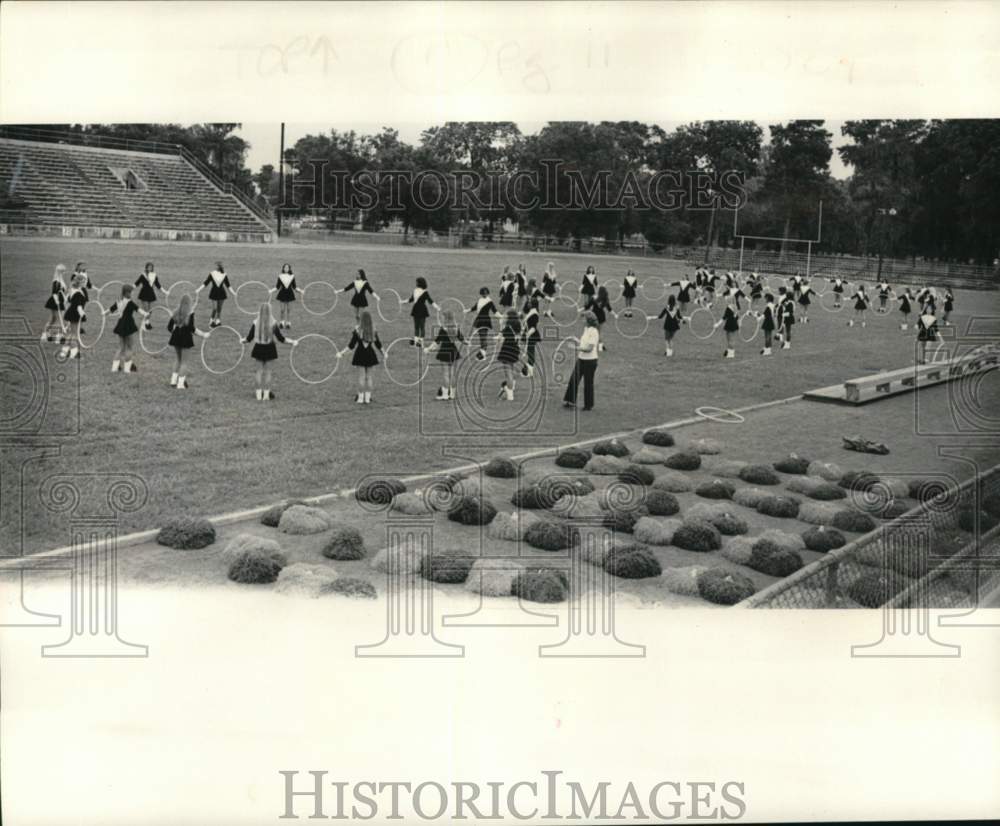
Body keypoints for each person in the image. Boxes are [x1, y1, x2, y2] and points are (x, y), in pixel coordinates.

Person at [245, 302, 298, 401]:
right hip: (270, 349)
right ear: (270, 311)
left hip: (258, 348)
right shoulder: (273, 323)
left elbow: (249, 338)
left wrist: (243, 341)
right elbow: (281, 338)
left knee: (259, 372)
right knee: (268, 372)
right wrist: (292, 342)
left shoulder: (256, 322)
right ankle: (266, 395)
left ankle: (258, 395)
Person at [340, 310, 382, 404]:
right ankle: (367, 398)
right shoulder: (373, 330)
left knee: (361, 377)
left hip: (360, 355)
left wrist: (341, 353)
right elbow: (378, 344)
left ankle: (360, 398)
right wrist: (384, 353)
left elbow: (351, 345)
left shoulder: (358, 330)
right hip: (370, 355)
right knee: (369, 377)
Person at [167, 294, 208, 389]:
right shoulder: (190, 314)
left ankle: (173, 381)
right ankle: (180, 384)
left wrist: (175, 330)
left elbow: (169, 327)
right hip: (185, 338)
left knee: (178, 359)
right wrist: (203, 334)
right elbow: (192, 329)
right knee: (184, 362)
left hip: (176, 337)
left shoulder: (175, 312)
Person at [106, 284, 149, 374]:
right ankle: (126, 369)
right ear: (127, 293)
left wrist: (103, 313)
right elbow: (139, 310)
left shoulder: (119, 302)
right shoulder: (130, 303)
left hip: (121, 325)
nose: (133, 294)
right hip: (128, 325)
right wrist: (146, 314)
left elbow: (110, 309)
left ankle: (114, 368)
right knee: (129, 347)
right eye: (132, 292)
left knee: (120, 347)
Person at [563, 313, 600, 412]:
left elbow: (589, 348)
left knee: (588, 383)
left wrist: (576, 348)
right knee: (573, 379)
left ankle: (588, 405)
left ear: (589, 320)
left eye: (584, 318)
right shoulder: (586, 329)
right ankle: (570, 401)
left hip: (590, 361)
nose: (582, 320)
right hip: (581, 359)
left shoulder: (594, 331)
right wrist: (576, 340)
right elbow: (584, 343)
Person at [424, 309, 464, 401]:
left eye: (443, 317)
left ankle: (445, 395)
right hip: (454, 352)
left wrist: (428, 349)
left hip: (444, 352)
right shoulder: (456, 328)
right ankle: (452, 395)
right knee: (453, 374)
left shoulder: (443, 329)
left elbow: (437, 342)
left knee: (446, 374)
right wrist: (468, 342)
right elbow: (463, 339)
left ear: (446, 319)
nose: (442, 319)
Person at [466, 287, 501, 360]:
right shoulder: (480, 300)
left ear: (488, 293)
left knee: (483, 337)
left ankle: (482, 354)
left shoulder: (489, 301)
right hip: (479, 320)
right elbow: (474, 308)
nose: (484, 295)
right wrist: (467, 310)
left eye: (486, 293)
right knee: (481, 337)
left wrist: (501, 316)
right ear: (481, 294)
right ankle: (482, 353)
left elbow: (495, 311)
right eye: (483, 293)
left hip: (485, 321)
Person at [495, 309, 522, 401]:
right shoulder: (518, 327)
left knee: (508, 373)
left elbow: (500, 337)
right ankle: (507, 388)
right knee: (510, 370)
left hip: (507, 350)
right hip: (515, 350)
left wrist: (497, 339)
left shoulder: (508, 328)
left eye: (506, 316)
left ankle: (510, 394)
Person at [196, 262, 231, 328]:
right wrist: (198, 290)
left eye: (216, 266)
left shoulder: (224, 275)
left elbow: (228, 285)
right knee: (214, 308)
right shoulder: (212, 274)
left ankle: (218, 321)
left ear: (219, 267)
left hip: (222, 293)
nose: (215, 267)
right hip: (214, 293)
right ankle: (211, 321)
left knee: (219, 308)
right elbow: (206, 283)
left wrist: (234, 293)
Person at [407, 276, 439, 347]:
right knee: (417, 326)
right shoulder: (415, 290)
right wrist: (403, 301)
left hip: (421, 310)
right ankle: (416, 342)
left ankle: (420, 342)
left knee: (421, 326)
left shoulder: (425, 292)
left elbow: (430, 301)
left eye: (417, 282)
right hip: (417, 309)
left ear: (419, 283)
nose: (416, 283)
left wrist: (436, 307)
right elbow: (411, 299)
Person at [271, 263, 303, 329]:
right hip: (282, 294)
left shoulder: (292, 276)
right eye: (285, 268)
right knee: (282, 310)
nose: (286, 269)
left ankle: (288, 323)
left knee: (288, 310)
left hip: (290, 294)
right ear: (283, 268)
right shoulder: (280, 276)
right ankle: (282, 322)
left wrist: (300, 291)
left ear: (289, 269)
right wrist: (271, 291)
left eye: (287, 268)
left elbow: (294, 287)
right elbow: (277, 287)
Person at [41, 263, 68, 342]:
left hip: (60, 301)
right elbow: (54, 293)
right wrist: (57, 301)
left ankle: (47, 333)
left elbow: (62, 292)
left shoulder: (61, 280)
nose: (64, 273)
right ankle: (57, 335)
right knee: (59, 319)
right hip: (55, 302)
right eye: (63, 271)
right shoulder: (56, 281)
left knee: (54, 319)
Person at [134, 262, 162, 330]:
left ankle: (147, 323)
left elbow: (158, 285)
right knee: (146, 311)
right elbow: (136, 283)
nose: (150, 268)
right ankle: (145, 325)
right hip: (144, 294)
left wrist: (165, 292)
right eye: (149, 267)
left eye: (151, 267)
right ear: (146, 267)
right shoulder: (143, 275)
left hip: (151, 294)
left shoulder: (154, 275)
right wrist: (129, 289)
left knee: (150, 311)